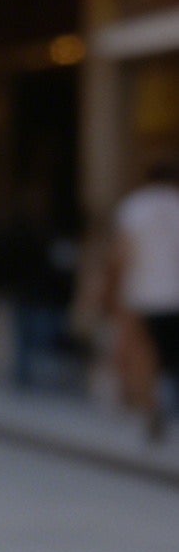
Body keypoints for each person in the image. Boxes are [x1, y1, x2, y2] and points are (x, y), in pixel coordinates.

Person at [109, 156, 179, 440]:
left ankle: (153, 408)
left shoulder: (134, 206)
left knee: (145, 357)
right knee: (173, 357)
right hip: (175, 294)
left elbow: (122, 254)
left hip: (143, 294)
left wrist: (115, 292)